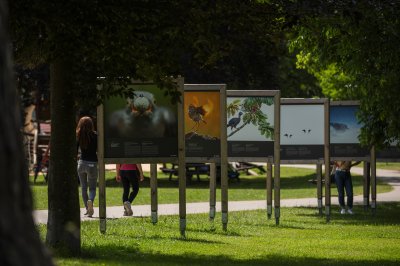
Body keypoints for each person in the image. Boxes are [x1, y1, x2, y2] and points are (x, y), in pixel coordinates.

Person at [76, 116, 98, 217]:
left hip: (81, 163)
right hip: (92, 164)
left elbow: (75, 150)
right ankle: (91, 201)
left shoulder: (78, 135)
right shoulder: (95, 136)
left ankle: (87, 209)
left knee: (83, 188)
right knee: (92, 188)